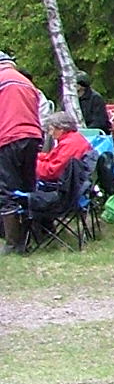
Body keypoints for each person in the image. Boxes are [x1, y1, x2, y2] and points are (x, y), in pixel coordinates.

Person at [0, 53, 43, 255]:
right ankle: (31, 237)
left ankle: (13, 244)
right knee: (27, 188)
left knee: (6, 189)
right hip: (32, 137)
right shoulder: (26, 82)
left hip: (8, 137)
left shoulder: (2, 79)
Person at [36, 111, 93, 183]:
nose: (50, 133)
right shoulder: (73, 138)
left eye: (51, 129)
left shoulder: (69, 143)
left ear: (61, 129)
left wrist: (32, 163)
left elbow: (52, 172)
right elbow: (52, 158)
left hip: (65, 184)